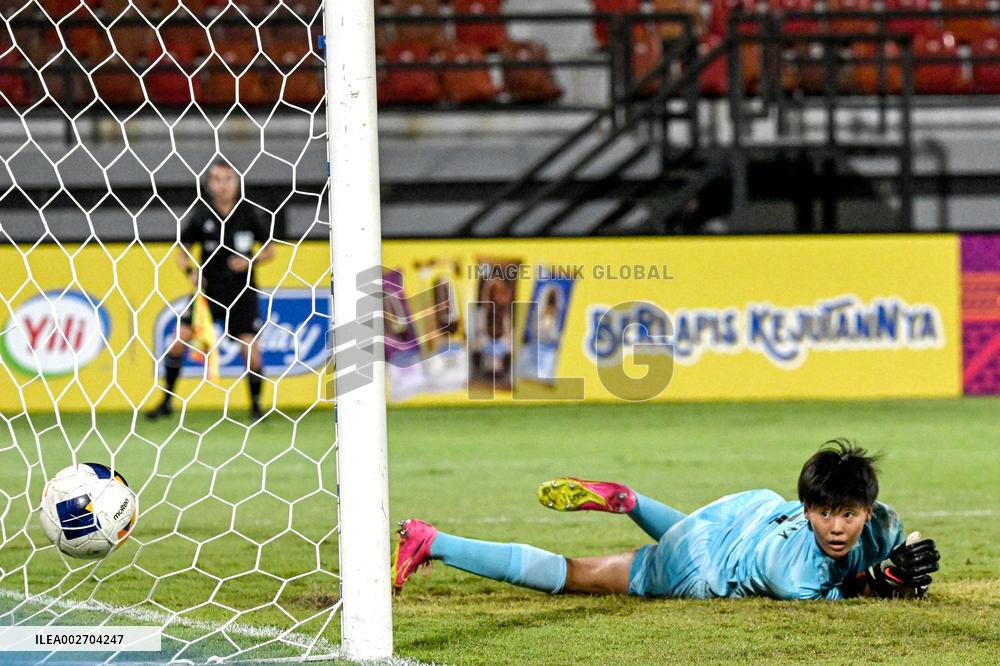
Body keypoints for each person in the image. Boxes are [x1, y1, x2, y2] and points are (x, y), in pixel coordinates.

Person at [392, 440, 940, 600]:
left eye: (849, 515)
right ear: (807, 511)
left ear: (869, 511)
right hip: (701, 567)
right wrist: (884, 582)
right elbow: (845, 594)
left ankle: (630, 501)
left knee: (686, 535)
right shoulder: (789, 576)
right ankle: (434, 541)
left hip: (741, 511)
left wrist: (900, 561)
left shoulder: (885, 523)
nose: (838, 527)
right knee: (578, 573)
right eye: (825, 514)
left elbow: (898, 545)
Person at [146, 159, 274, 422]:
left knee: (250, 350)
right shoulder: (201, 215)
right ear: (209, 183)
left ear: (237, 183)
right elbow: (182, 249)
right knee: (178, 340)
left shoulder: (249, 214)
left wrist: (250, 260)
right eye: (217, 179)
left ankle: (257, 408)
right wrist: (191, 271)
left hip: (242, 292)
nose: (223, 185)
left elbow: (270, 249)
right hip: (208, 293)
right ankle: (166, 402)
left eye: (228, 179)